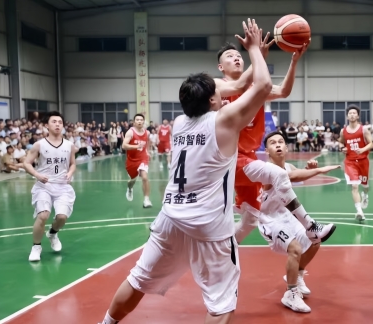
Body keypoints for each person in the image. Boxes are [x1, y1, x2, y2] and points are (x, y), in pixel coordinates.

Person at [100, 18, 272, 324]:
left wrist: (253, 59)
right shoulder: (224, 121)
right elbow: (262, 86)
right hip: (209, 227)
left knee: (138, 279)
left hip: (170, 217)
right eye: (218, 92)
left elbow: (238, 85)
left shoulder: (179, 124)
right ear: (212, 100)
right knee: (221, 303)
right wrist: (255, 49)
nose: (224, 94)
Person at [214, 30, 335, 245]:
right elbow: (239, 85)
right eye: (230, 56)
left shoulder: (255, 89)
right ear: (221, 67)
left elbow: (284, 92)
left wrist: (294, 61)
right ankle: (311, 227)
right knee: (278, 174)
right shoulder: (217, 86)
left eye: (239, 56)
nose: (236, 58)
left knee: (251, 219)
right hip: (228, 158)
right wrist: (256, 54)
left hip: (246, 157)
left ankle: (223, 248)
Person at [260, 131, 340, 313]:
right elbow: (291, 177)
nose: (278, 144)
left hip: (288, 217)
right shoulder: (265, 169)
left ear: (287, 147)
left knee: (316, 240)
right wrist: (317, 170)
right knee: (295, 248)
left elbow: (295, 174)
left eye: (281, 141)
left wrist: (307, 168)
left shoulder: (287, 166)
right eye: (273, 143)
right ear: (267, 151)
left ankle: (299, 275)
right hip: (270, 221)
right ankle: (290, 293)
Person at [23, 112, 78, 262]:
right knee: (43, 215)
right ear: (47, 125)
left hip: (63, 186)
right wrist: (37, 175)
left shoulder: (69, 145)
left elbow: (73, 163)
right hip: (43, 186)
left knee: (61, 217)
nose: (57, 124)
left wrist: (70, 173)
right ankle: (36, 247)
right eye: (54, 121)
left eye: (60, 122)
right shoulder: (39, 144)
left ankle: (52, 233)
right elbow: (26, 163)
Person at [338, 105, 373, 221]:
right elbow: (340, 142)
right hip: (350, 162)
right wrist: (342, 148)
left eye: (354, 113)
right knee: (354, 185)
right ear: (347, 116)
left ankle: (365, 195)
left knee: (365, 186)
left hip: (363, 161)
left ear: (358, 116)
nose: (352, 115)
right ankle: (359, 211)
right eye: (350, 113)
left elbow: (371, 144)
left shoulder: (363, 129)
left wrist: (363, 150)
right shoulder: (343, 131)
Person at [123, 114, 152, 208]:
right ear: (134, 122)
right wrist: (136, 146)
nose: (139, 121)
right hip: (131, 161)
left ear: (143, 122)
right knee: (132, 180)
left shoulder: (147, 133)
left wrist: (148, 152)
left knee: (144, 177)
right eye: (137, 120)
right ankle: (130, 188)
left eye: (141, 120)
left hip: (143, 158)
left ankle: (146, 200)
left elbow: (147, 143)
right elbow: (124, 146)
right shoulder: (130, 132)